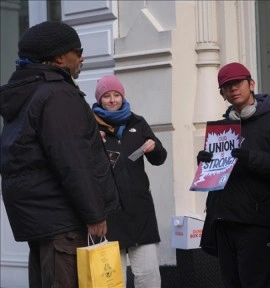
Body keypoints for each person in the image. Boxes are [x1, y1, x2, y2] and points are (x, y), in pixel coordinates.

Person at [0, 21, 119, 287]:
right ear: (59, 57)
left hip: (43, 220)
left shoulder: (30, 92)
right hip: (63, 223)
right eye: (78, 50)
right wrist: (94, 214)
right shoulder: (56, 94)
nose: (82, 57)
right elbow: (72, 161)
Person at [197, 62, 270, 287]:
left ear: (251, 84)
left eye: (237, 83)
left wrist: (249, 157)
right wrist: (204, 164)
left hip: (256, 222)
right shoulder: (221, 129)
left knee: (258, 283)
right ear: (222, 94)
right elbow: (214, 176)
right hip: (224, 219)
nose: (233, 89)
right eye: (226, 87)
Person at [93, 75, 167, 287]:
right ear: (99, 100)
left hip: (140, 213)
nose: (113, 100)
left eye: (116, 95)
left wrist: (155, 148)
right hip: (108, 216)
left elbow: (160, 159)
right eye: (107, 96)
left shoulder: (137, 122)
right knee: (113, 282)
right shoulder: (90, 126)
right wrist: (93, 144)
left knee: (149, 277)